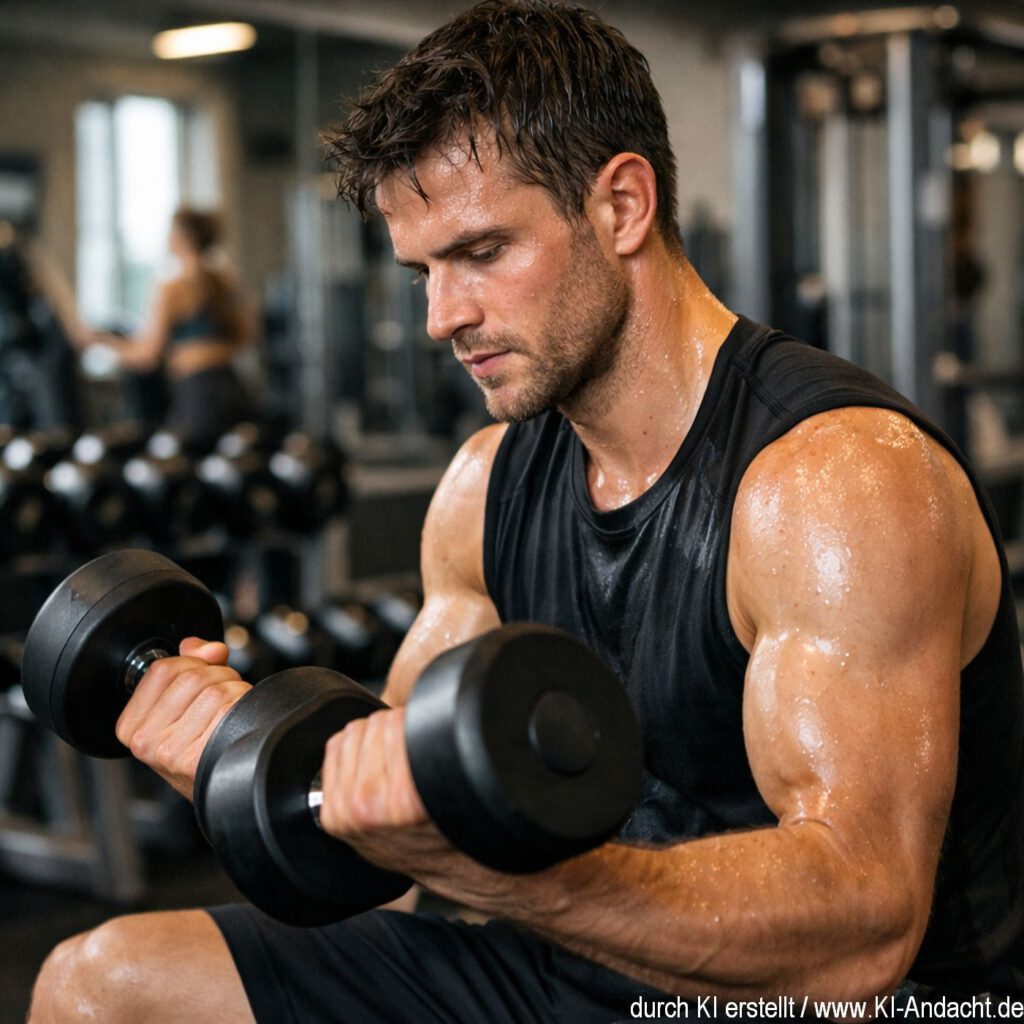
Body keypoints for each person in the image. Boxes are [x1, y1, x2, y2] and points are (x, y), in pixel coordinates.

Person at [28, 2, 1024, 1021]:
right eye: (423, 271)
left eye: (481, 252)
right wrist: (240, 762)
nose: (439, 317)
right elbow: (400, 836)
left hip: (843, 1001)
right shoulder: (483, 486)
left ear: (622, 205)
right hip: (570, 962)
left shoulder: (830, 486)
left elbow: (860, 928)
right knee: (100, 984)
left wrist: (506, 881)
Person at [92, 206, 256, 452]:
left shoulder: (173, 288)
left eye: (171, 232)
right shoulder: (227, 280)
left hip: (198, 395)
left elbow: (147, 355)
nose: (167, 238)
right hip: (233, 388)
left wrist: (103, 342)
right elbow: (246, 338)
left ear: (185, 237)